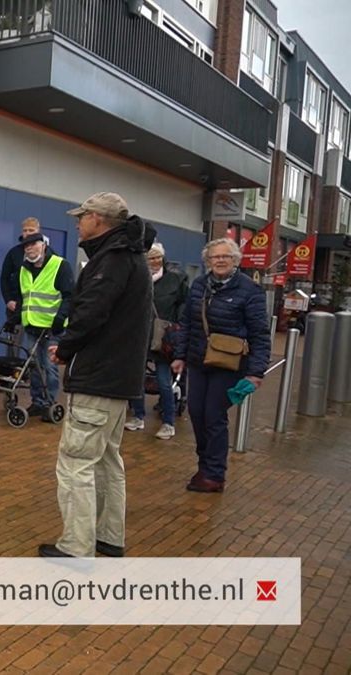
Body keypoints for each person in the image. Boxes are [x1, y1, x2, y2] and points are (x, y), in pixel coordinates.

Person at [39, 192, 153, 558]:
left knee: (76, 463)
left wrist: (67, 347)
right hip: (119, 380)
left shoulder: (111, 260)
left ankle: (76, 546)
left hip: (98, 377)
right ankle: (108, 535)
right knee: (107, 460)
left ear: (99, 219)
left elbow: (90, 313)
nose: (77, 222)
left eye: (82, 215)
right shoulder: (131, 256)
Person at [171, 239, 270, 493]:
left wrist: (255, 372)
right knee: (196, 412)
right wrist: (179, 355)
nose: (221, 260)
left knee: (214, 416)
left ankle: (214, 474)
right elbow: (187, 324)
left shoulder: (250, 290)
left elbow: (260, 334)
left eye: (226, 256)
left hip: (229, 363)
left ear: (236, 260)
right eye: (215, 257)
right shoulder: (199, 285)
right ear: (208, 261)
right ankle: (205, 465)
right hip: (197, 360)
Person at [126, 242, 189, 439]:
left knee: (163, 381)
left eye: (157, 257)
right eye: (150, 257)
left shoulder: (176, 279)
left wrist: (177, 331)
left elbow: (183, 307)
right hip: (139, 335)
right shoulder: (137, 278)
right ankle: (138, 416)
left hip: (163, 338)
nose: (154, 261)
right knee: (135, 378)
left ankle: (168, 422)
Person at [15, 234, 74, 422]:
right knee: (34, 366)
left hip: (52, 327)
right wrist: (15, 317)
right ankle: (37, 401)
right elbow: (26, 297)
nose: (29, 249)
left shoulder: (59, 265)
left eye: (33, 245)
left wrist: (61, 317)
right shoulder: (24, 269)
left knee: (50, 367)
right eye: (26, 246)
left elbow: (69, 295)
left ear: (43, 245)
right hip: (31, 325)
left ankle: (50, 403)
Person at [1, 217, 55, 318]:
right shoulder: (14, 253)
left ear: (38, 231)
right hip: (17, 306)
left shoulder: (49, 253)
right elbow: (4, 278)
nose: (28, 233)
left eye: (31, 230)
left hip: (40, 308)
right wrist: (8, 300)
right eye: (25, 230)